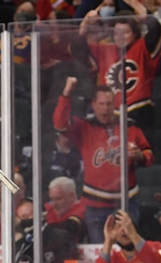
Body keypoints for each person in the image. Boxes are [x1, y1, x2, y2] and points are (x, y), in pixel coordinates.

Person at [54, 77, 153, 239]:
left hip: (126, 203)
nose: (106, 109)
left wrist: (141, 156)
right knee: (101, 253)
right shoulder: (84, 128)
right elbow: (59, 124)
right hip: (95, 206)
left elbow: (149, 156)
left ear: (114, 104)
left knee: (126, 251)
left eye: (109, 104)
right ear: (93, 105)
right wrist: (66, 94)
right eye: (101, 104)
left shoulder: (129, 126)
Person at [92, 209, 161, 263]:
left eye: (127, 226)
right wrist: (108, 241)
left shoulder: (157, 247)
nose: (123, 230)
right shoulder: (114, 259)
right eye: (118, 226)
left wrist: (132, 234)